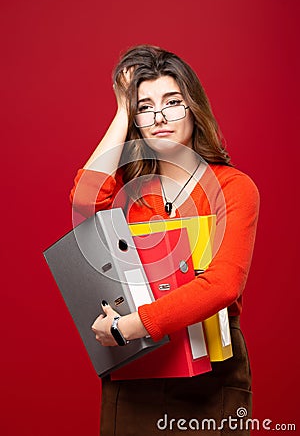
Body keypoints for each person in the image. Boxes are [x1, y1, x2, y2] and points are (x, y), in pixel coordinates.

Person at [70, 45, 259, 436]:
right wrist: (123, 108)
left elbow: (223, 284)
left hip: (212, 371)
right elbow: (84, 201)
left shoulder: (234, 187)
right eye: (145, 107)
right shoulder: (129, 190)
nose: (159, 117)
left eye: (173, 102)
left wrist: (131, 327)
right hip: (139, 367)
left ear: (193, 108)